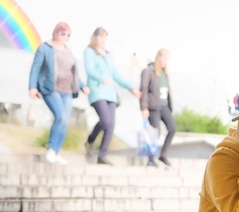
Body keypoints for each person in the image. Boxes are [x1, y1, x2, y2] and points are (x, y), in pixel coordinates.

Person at [28, 22, 89, 165]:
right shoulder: (45, 48)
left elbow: (73, 72)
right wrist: (32, 86)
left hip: (67, 90)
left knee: (66, 120)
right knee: (60, 116)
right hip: (50, 88)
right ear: (55, 33)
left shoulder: (69, 51)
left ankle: (56, 151)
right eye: (63, 34)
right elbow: (35, 67)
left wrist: (82, 85)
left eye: (68, 35)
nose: (65, 37)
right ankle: (51, 149)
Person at [83, 27, 141, 165]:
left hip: (110, 94)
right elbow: (89, 70)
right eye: (100, 36)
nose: (102, 40)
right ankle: (90, 140)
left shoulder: (108, 55)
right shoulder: (89, 52)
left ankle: (102, 155)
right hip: (97, 92)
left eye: (104, 37)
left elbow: (116, 74)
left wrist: (131, 88)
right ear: (95, 37)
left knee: (110, 125)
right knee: (105, 120)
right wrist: (101, 78)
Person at [140, 48, 176, 167]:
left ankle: (163, 154)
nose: (165, 62)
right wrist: (144, 108)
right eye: (164, 59)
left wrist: (170, 107)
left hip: (164, 106)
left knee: (172, 128)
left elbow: (168, 92)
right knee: (155, 132)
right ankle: (151, 159)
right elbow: (144, 89)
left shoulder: (165, 74)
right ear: (158, 58)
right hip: (153, 106)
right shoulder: (148, 71)